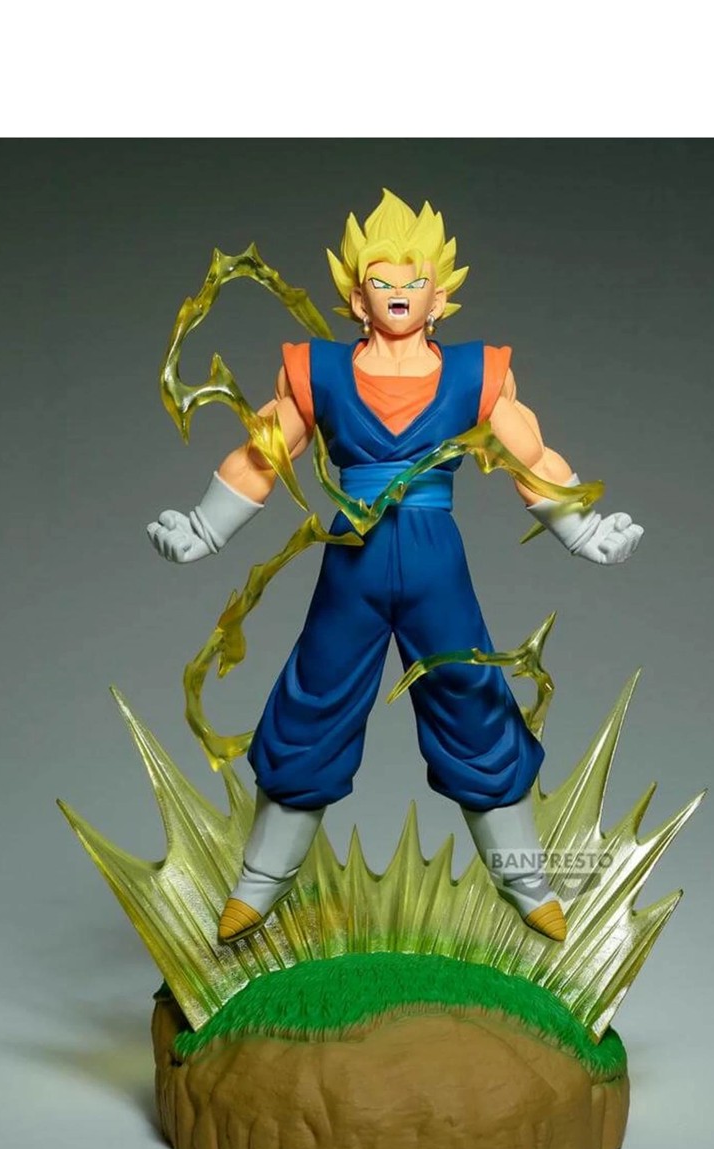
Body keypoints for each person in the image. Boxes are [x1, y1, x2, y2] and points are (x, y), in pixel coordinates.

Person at [147, 190, 643, 944]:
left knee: (474, 701)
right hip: (353, 562)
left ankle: (526, 883)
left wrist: (583, 529)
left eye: (414, 281)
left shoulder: (476, 375)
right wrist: (204, 528)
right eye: (382, 281)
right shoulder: (318, 372)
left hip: (437, 567)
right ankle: (260, 882)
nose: (400, 293)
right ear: (358, 298)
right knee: (313, 703)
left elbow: (532, 456)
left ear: (438, 297)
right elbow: (262, 452)